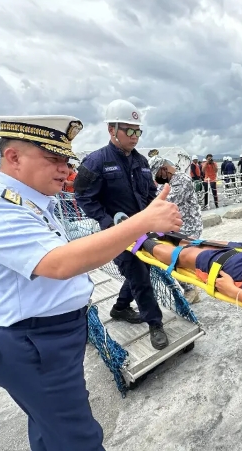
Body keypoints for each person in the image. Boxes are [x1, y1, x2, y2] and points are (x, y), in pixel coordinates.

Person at [0, 114, 182, 451]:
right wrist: (141, 223)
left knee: (51, 433)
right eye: (53, 159)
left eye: (66, 160)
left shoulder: (30, 202)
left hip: (49, 337)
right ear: (13, 157)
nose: (65, 169)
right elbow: (60, 264)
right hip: (35, 342)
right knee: (79, 440)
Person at [74, 99, 170, 350]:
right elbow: (83, 196)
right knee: (139, 276)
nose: (135, 136)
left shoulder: (141, 162)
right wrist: (107, 223)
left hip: (143, 229)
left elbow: (150, 194)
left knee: (142, 271)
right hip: (116, 235)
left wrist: (158, 219)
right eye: (129, 130)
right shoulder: (95, 162)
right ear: (111, 130)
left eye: (138, 131)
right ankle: (155, 324)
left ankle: (120, 308)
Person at [148, 155, 203, 303]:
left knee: (180, 259)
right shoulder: (167, 181)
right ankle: (190, 288)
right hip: (173, 228)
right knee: (171, 259)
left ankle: (192, 289)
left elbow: (166, 202)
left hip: (189, 227)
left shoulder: (182, 180)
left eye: (158, 174)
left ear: (164, 169)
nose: (157, 179)